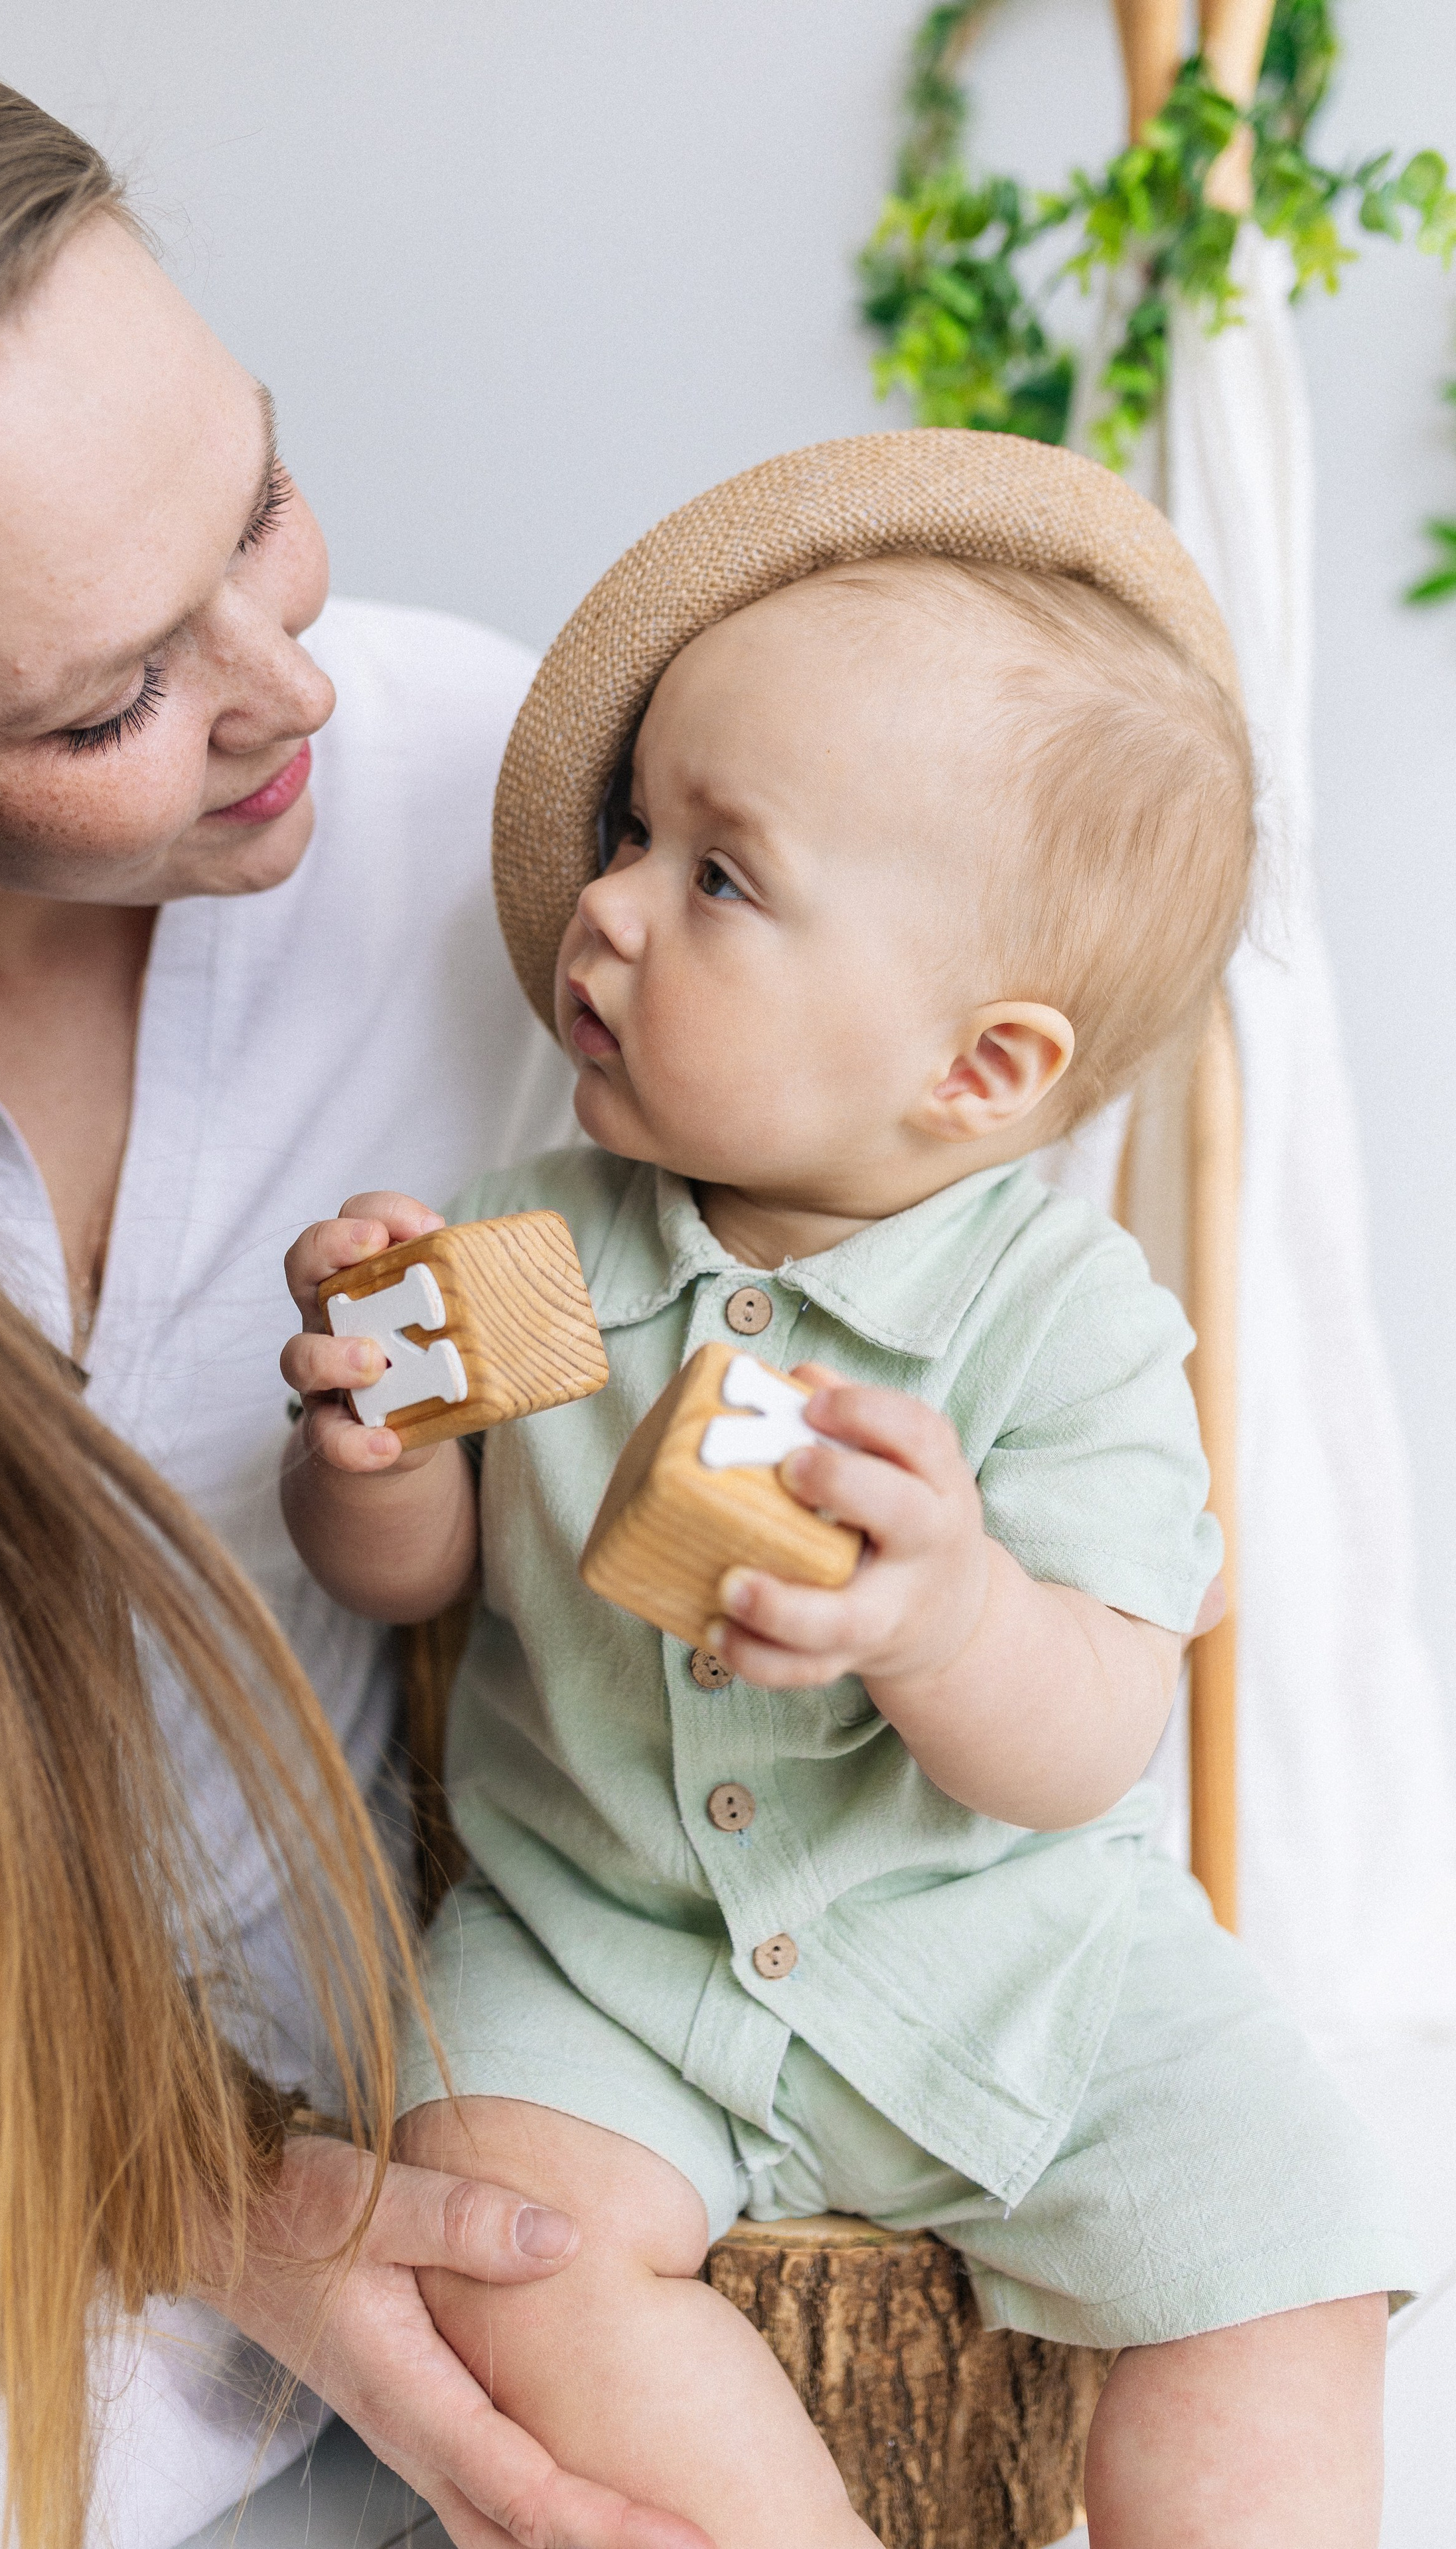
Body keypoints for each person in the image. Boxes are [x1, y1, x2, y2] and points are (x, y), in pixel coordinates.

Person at [0, 23, 710, 2549]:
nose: (286, 688)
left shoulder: (478, 814)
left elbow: (737, 1360)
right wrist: (186, 2198)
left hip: (437, 2113)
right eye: (104, 705)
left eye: (259, 497)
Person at [281, 438, 1418, 2547]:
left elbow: (1090, 1737)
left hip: (1005, 1959)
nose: (603, 904)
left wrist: (946, 1611)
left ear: (977, 1070)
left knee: (1290, 2244)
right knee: (492, 2233)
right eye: (631, 830)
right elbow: (414, 1586)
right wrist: (374, 1443)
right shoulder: (535, 1238)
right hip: (599, 1944)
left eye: (717, 875)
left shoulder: (1066, 1318)